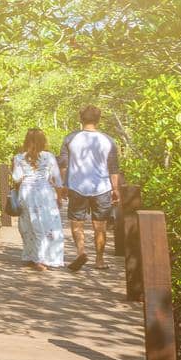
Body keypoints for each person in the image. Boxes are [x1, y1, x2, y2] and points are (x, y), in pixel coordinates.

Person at [59, 104, 121, 271]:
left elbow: (63, 165)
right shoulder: (108, 140)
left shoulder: (70, 138)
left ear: (81, 119)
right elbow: (113, 168)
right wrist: (116, 189)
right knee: (100, 226)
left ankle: (81, 253)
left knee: (76, 222)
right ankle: (99, 260)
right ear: (98, 120)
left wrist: (63, 184)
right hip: (102, 187)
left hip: (77, 186)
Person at [12, 128, 65, 270]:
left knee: (29, 225)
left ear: (26, 140)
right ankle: (42, 259)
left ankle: (31, 256)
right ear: (43, 141)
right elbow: (57, 179)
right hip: (44, 192)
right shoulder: (48, 156)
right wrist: (59, 197)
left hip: (26, 192)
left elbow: (16, 178)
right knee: (46, 225)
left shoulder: (19, 157)